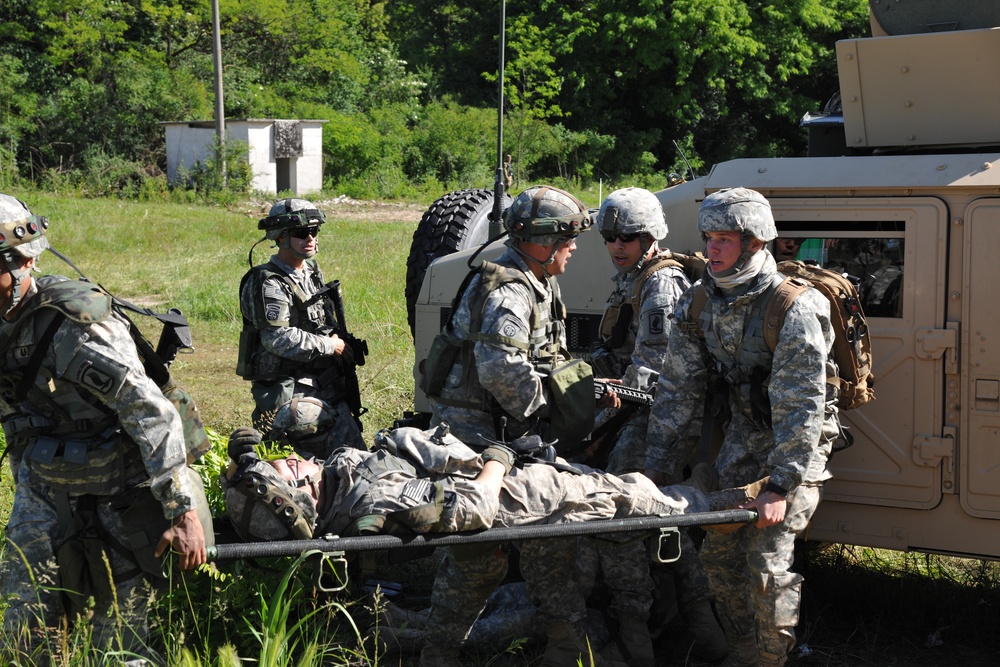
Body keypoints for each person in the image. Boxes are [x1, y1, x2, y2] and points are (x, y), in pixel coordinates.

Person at [220, 405, 767, 661]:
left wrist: (245, 460)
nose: (292, 458)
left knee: (485, 585)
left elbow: (389, 458)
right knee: (632, 496)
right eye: (287, 470)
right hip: (510, 501)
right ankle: (718, 503)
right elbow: (476, 511)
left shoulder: (336, 477)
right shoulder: (372, 499)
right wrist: (500, 461)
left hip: (467, 501)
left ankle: (557, 647)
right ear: (300, 498)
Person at [422, 185, 641, 666]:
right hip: (478, 438)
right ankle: (438, 653)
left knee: (550, 540)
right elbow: (502, 371)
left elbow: (543, 358)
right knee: (477, 557)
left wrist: (582, 385)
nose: (575, 248)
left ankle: (565, 646)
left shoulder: (537, 279)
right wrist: (558, 406)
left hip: (513, 434)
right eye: (567, 240)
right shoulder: (509, 291)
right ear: (541, 242)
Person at [0, 194, 210, 664]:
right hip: (44, 485)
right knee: (24, 623)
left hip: (121, 485)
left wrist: (182, 513)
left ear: (20, 263)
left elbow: (150, 413)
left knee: (121, 636)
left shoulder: (77, 328)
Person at [644, 187, 842, 667]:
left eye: (724, 239)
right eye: (708, 237)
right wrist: (653, 473)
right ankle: (742, 651)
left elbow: (803, 404)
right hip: (744, 440)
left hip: (796, 448)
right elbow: (677, 391)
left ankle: (771, 660)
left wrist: (780, 484)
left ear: (755, 243)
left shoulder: (794, 307)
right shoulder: (698, 303)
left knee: (767, 566)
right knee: (719, 559)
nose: (711, 248)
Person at [589, 186, 727, 661]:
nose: (617, 245)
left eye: (628, 236)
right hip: (648, 409)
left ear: (650, 237)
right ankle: (687, 630)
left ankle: (672, 634)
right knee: (657, 519)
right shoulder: (635, 277)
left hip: (660, 417)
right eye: (610, 236)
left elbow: (652, 368)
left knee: (634, 512)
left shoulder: (659, 283)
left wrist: (600, 409)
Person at [237, 198, 365, 455]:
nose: (310, 238)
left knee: (356, 458)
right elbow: (276, 338)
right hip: (293, 389)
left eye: (314, 231)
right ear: (281, 237)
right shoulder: (269, 282)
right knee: (302, 468)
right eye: (300, 233)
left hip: (325, 383)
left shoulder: (311, 270)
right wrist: (330, 346)